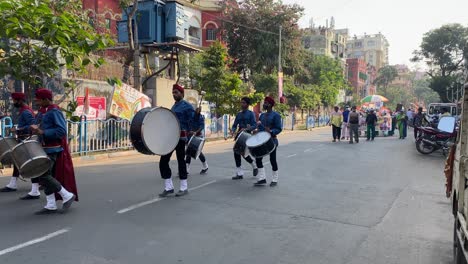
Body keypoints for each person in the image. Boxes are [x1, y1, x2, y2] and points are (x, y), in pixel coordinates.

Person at [30, 88, 78, 215]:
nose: (37, 102)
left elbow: (61, 131)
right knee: (45, 175)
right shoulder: (42, 112)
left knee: (44, 175)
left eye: (39, 100)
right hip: (42, 147)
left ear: (46, 99)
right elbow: (39, 126)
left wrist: (43, 132)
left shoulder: (55, 111)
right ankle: (50, 204)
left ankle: (66, 195)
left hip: (52, 149)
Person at [158, 84, 194, 197]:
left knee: (180, 161)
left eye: (176, 92)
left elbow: (192, 121)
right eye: (173, 93)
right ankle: (169, 187)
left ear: (182, 94)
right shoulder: (174, 107)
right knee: (163, 161)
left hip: (181, 137)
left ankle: (184, 187)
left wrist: (190, 134)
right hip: (171, 137)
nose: (174, 94)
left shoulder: (187, 106)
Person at [0, 92, 38, 198]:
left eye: (15, 101)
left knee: (31, 164)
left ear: (20, 101)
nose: (13, 102)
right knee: (18, 162)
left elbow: (33, 125)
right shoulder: (24, 110)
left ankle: (35, 190)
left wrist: (17, 129)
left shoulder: (26, 112)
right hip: (23, 139)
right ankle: (13, 184)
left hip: (26, 140)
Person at [253, 96, 282, 187]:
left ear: (270, 105)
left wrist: (271, 131)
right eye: (264, 102)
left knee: (272, 159)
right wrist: (256, 130)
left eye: (265, 103)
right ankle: (262, 178)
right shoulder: (262, 115)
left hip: (272, 140)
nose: (264, 104)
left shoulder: (276, 115)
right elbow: (260, 128)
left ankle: (275, 179)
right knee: (258, 158)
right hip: (262, 140)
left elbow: (279, 128)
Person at [231, 97, 258, 180]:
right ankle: (240, 173)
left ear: (247, 104)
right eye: (241, 102)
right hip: (239, 136)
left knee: (243, 153)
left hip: (247, 136)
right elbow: (235, 125)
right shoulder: (239, 114)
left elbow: (254, 125)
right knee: (236, 153)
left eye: (243, 103)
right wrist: (232, 130)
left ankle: (254, 165)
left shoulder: (251, 114)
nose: (242, 104)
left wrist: (246, 129)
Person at [185, 106, 209, 175]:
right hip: (190, 135)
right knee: (188, 152)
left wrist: (195, 132)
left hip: (197, 136)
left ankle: (205, 166)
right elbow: (188, 123)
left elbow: (201, 126)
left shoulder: (200, 117)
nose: (197, 111)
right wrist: (189, 131)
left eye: (199, 110)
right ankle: (187, 169)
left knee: (198, 152)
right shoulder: (191, 115)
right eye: (196, 110)